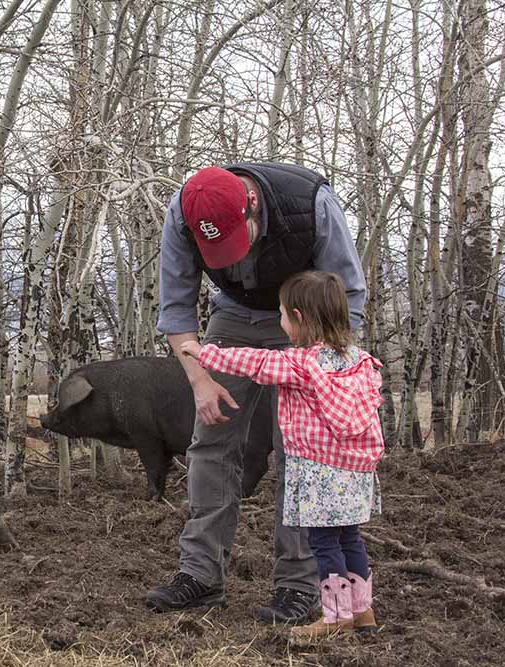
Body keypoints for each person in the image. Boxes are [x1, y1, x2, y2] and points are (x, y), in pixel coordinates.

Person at [147, 163, 367, 626]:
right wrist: (200, 381)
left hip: (304, 323)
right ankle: (201, 575)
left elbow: (348, 297)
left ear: (251, 205)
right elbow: (177, 307)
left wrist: (325, 371)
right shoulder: (185, 212)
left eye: (233, 242)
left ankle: (300, 584)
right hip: (231, 317)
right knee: (210, 441)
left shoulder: (311, 205)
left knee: (301, 451)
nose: (225, 259)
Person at [179, 270, 383, 640]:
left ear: (300, 319)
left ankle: (335, 618)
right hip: (355, 472)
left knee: (324, 544)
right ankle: (362, 611)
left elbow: (253, 362)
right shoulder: (360, 360)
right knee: (350, 539)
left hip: (320, 477)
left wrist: (204, 353)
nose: (279, 322)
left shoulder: (299, 364)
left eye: (283, 315)